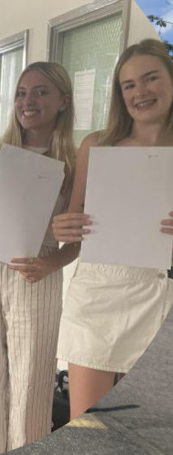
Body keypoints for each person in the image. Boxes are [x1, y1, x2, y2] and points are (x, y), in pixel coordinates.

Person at [0, 62, 77, 453]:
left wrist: (52, 264)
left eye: (41, 92)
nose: (28, 101)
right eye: (22, 93)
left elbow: (78, 238)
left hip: (37, 269)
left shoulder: (74, 163)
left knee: (31, 376)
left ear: (63, 101)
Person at [52, 38, 173, 420]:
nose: (141, 92)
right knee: (89, 429)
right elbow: (71, 226)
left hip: (160, 293)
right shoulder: (97, 145)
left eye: (151, 78)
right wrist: (64, 225)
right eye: (129, 85)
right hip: (98, 295)